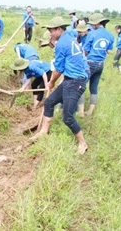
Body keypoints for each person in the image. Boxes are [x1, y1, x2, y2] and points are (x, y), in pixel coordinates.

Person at [28, 17, 89, 155]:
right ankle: (44, 131)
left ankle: (82, 143)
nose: (50, 32)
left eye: (51, 30)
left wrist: (51, 82)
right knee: (49, 102)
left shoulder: (62, 44)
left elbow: (59, 68)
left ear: (59, 29)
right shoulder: (69, 36)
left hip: (76, 81)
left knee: (67, 116)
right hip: (69, 79)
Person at [78, 13, 114, 116]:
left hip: (90, 63)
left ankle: (80, 112)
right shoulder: (110, 35)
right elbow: (108, 51)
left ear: (97, 24)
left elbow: (85, 50)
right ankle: (89, 112)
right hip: (100, 64)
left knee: (81, 86)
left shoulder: (92, 34)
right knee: (93, 88)